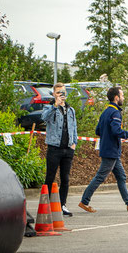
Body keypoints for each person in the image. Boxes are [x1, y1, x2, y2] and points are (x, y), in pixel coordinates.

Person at [79, 87, 128, 213]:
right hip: (111, 150)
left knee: (121, 176)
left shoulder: (105, 112)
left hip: (109, 149)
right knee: (100, 177)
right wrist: (126, 134)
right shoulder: (115, 113)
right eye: (122, 95)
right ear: (116, 97)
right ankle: (84, 201)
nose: (123, 98)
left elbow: (98, 130)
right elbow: (116, 130)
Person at [41, 82, 78, 216]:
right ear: (54, 94)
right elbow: (44, 118)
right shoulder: (50, 108)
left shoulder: (70, 110)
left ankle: (62, 204)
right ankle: (46, 204)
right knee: (50, 176)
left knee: (65, 178)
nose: (61, 95)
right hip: (54, 148)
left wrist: (74, 143)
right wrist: (55, 105)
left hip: (67, 149)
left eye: (63, 92)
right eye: (58, 93)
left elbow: (74, 127)